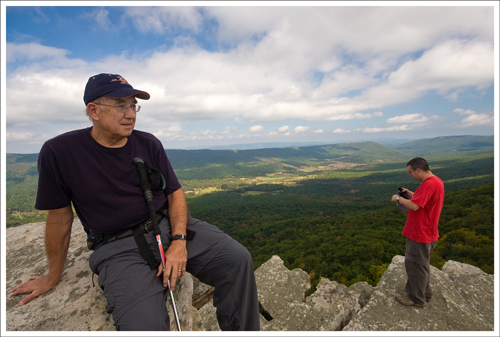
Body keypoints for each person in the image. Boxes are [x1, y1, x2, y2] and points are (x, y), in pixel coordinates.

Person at [10, 73, 261, 331]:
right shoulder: (60, 153)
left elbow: (175, 194)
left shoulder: (148, 143)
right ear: (93, 110)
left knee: (237, 260)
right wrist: (52, 276)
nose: (131, 114)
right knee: (145, 326)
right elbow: (60, 218)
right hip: (117, 248)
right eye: (121, 106)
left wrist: (179, 241)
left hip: (164, 226)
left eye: (133, 106)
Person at [391, 157, 444, 307]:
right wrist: (411, 193)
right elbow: (424, 201)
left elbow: (414, 207)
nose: (410, 175)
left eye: (410, 172)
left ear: (418, 170)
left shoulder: (428, 184)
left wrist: (398, 198)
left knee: (414, 265)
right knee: (422, 264)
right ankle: (426, 293)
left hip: (421, 233)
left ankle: (416, 298)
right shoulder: (436, 181)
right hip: (428, 231)